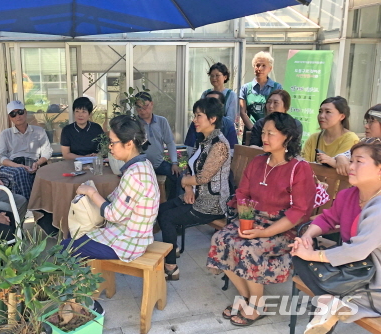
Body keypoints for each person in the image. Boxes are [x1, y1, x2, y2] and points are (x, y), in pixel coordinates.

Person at [207, 112, 315, 327]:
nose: (264, 137)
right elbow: (242, 194)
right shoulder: (258, 162)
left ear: (288, 137)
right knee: (221, 239)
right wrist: (246, 221)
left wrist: (264, 232)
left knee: (249, 248)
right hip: (253, 219)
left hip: (284, 228)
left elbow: (299, 211)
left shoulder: (298, 169)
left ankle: (258, 304)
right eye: (263, 132)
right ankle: (247, 297)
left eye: (271, 133)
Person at [291, 139, 381, 334]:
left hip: (375, 278)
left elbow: (358, 250)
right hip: (355, 267)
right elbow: (327, 219)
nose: (351, 166)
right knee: (298, 255)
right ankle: (329, 303)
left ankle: (330, 304)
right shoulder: (349, 195)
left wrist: (313, 255)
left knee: (314, 268)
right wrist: (307, 237)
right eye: (351, 161)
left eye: (359, 161)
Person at [61, 115, 159, 262]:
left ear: (129, 144)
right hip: (131, 234)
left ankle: (80, 284)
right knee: (73, 236)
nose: (109, 147)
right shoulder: (143, 164)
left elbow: (114, 215)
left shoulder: (134, 174)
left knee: (64, 246)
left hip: (127, 242)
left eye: (113, 143)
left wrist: (90, 192)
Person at [158, 98, 230, 280]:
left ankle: (171, 266)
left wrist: (185, 183)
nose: (194, 120)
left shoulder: (219, 145)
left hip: (212, 204)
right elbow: (190, 169)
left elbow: (204, 177)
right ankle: (172, 248)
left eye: (199, 116)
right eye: (194, 115)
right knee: (161, 209)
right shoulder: (203, 141)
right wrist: (188, 188)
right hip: (196, 196)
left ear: (212, 119)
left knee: (167, 217)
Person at [0, 100, 53, 200]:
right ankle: (30, 206)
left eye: (20, 112)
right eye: (13, 114)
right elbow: (0, 157)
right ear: (10, 118)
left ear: (25, 112)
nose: (18, 116)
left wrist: (37, 163)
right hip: (12, 166)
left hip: (33, 163)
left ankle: (22, 207)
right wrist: (18, 166)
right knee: (21, 172)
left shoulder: (39, 131)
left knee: (27, 174)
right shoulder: (5, 134)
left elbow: (47, 151)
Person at [135, 91, 180, 199]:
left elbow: (169, 142)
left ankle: (172, 203)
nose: (142, 110)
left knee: (177, 176)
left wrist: (174, 162)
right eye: (139, 108)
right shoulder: (134, 123)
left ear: (152, 104)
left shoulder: (161, 121)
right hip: (139, 166)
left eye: (145, 106)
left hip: (158, 164)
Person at [302, 96, 359, 165]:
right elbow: (303, 165)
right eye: (320, 111)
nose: (322, 116)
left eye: (328, 112)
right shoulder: (313, 138)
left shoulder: (351, 139)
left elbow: (341, 169)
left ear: (342, 116)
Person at [184, 91, 237, 156]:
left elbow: (232, 151)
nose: (194, 120)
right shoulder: (197, 128)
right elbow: (190, 147)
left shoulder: (220, 144)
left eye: (212, 102)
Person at [239, 51, 282, 131]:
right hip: (250, 132)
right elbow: (242, 112)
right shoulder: (245, 88)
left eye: (264, 65)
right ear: (253, 67)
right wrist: (254, 129)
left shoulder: (277, 87)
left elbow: (279, 111)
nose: (260, 68)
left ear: (270, 68)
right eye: (257, 65)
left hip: (271, 130)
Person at [334, 104, 381, 176]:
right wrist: (341, 157)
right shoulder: (367, 142)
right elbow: (345, 155)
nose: (366, 126)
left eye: (371, 121)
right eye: (367, 121)